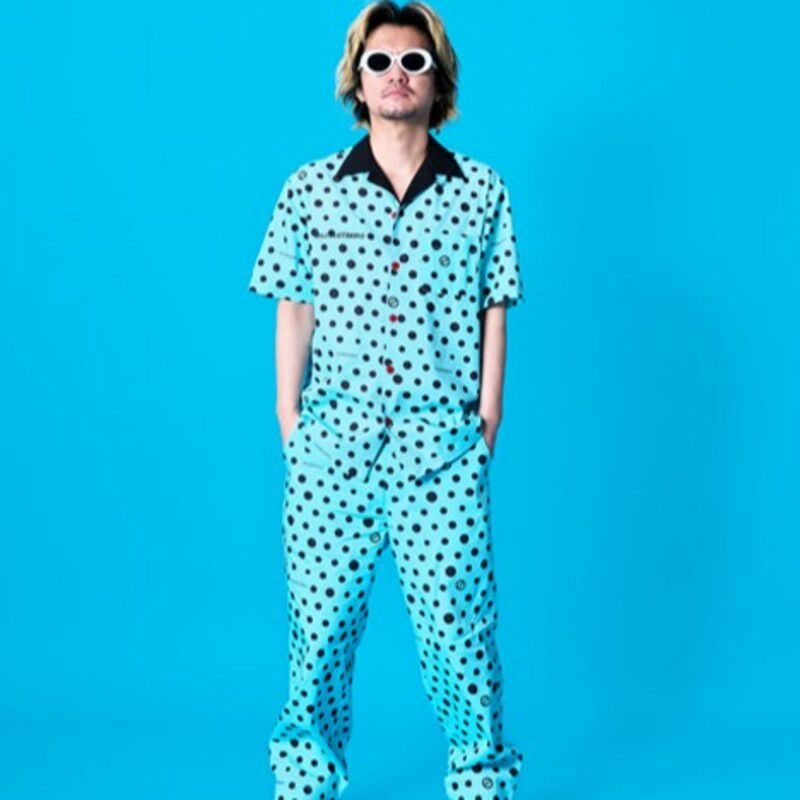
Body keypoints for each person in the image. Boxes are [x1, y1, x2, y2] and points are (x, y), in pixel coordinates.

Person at [247, 3, 525, 798]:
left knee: (460, 635)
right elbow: (293, 306)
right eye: (379, 62)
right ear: (357, 81)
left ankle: (480, 785)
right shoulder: (310, 190)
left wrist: (487, 419)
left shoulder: (482, 191)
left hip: (442, 451)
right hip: (333, 446)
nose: (396, 74)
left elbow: (494, 306)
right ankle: (306, 786)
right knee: (319, 634)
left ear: (438, 80)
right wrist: (291, 420)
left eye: (413, 61)